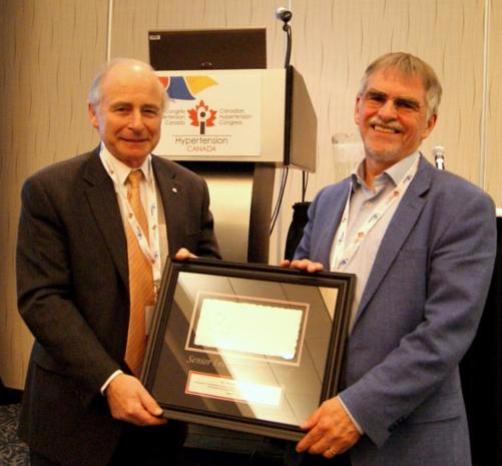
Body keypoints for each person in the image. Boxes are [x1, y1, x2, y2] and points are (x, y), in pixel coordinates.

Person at [284, 52, 497, 466]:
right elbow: (301, 308)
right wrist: (296, 288)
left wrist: (356, 410)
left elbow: (445, 334)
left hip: (408, 445)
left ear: (429, 123)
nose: (386, 113)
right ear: (357, 108)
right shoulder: (326, 201)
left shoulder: (463, 206)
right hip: (316, 435)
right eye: (376, 98)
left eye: (406, 104)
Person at [16, 58, 220, 466]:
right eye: (122, 109)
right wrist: (110, 381)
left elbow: (211, 273)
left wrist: (198, 275)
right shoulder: (50, 190)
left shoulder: (190, 188)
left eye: (150, 111)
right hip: (77, 410)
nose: (137, 124)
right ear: (94, 114)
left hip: (161, 407)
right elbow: (42, 299)